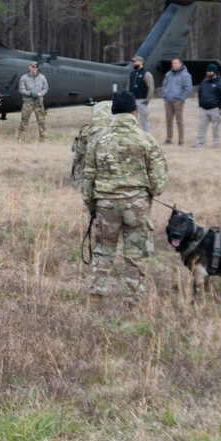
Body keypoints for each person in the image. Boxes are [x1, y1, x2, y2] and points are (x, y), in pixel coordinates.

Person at [81, 90, 168, 308]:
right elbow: (159, 182)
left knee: (104, 251)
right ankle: (133, 303)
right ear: (134, 111)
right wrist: (145, 194)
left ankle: (95, 299)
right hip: (137, 206)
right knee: (136, 255)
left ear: (112, 112)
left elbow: (88, 177)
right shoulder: (146, 139)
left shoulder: (98, 140)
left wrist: (93, 205)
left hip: (106, 205)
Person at [193, 64, 221, 148]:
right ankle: (199, 144)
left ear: (215, 72)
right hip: (204, 109)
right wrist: (200, 103)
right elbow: (200, 92)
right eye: (207, 71)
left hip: (215, 109)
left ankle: (216, 144)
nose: (208, 73)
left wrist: (219, 107)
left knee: (216, 128)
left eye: (210, 71)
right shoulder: (204, 82)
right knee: (202, 127)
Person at [161, 58, 193, 145]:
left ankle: (181, 140)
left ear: (180, 64)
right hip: (168, 101)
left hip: (178, 101)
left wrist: (182, 98)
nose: (174, 65)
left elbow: (188, 89)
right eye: (173, 63)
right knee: (168, 121)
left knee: (179, 121)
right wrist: (165, 96)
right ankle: (169, 139)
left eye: (176, 63)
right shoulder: (168, 74)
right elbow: (164, 86)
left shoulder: (185, 75)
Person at [17, 62, 49, 141]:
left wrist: (41, 93)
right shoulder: (24, 78)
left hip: (39, 103)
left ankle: (43, 139)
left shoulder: (42, 77)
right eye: (33, 66)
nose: (35, 68)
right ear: (29, 67)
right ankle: (21, 139)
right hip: (28, 103)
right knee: (24, 121)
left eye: (36, 66)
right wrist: (31, 94)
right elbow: (21, 89)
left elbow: (46, 88)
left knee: (42, 121)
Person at [128, 55, 153, 134]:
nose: (134, 63)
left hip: (142, 100)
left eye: (136, 61)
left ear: (141, 62)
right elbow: (129, 86)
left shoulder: (147, 74)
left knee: (144, 121)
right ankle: (134, 137)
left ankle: (147, 137)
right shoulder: (132, 74)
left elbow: (151, 88)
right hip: (132, 101)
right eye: (133, 62)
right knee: (132, 120)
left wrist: (147, 100)